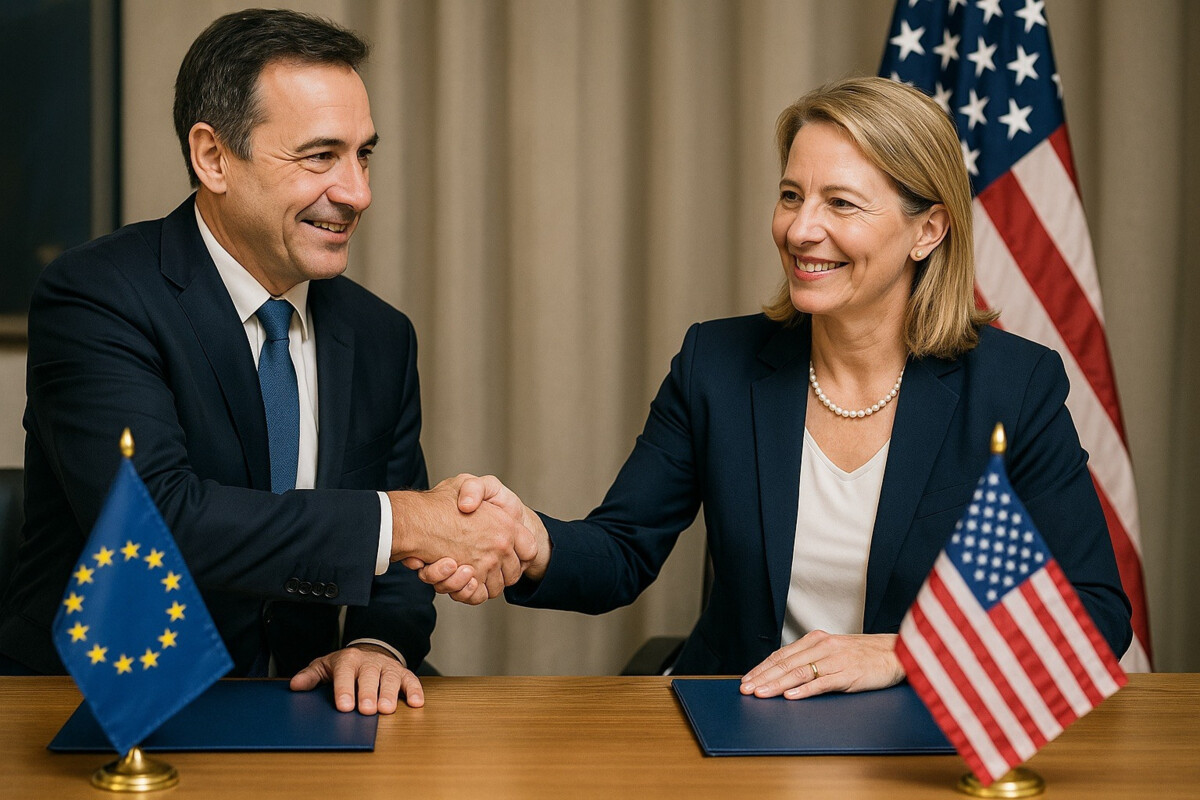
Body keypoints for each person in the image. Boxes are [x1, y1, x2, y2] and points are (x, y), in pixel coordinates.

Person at [414, 76, 1133, 698]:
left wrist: (904, 653)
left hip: (920, 735)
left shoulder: (1013, 385)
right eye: (792, 195)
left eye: (841, 204)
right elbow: (622, 552)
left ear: (928, 231)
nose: (800, 229)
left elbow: (1095, 616)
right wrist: (532, 540)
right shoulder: (716, 363)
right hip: (737, 718)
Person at [0, 9, 533, 714]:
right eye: (320, 156)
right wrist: (409, 521)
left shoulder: (380, 335)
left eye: (363, 155)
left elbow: (397, 569)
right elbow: (160, 520)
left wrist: (377, 644)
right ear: (213, 157)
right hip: (99, 709)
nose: (357, 192)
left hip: (304, 711)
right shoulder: (98, 296)